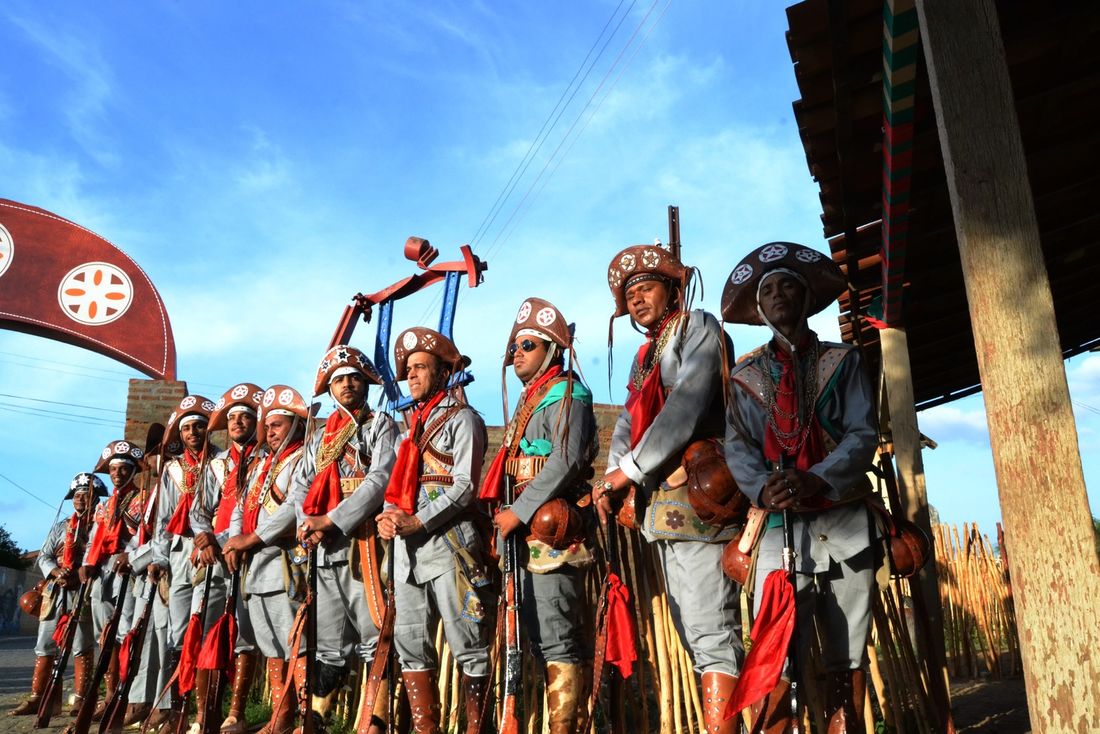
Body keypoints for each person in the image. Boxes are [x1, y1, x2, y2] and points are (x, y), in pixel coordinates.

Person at [722, 242, 878, 732]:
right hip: (776, 532)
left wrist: (818, 476)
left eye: (788, 283)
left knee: (846, 656)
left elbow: (862, 432)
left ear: (807, 297)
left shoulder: (843, 360)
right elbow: (738, 446)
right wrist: (763, 489)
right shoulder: (744, 378)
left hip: (845, 521)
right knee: (775, 654)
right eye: (766, 289)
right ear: (759, 308)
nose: (777, 294)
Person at [591, 243, 744, 734]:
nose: (637, 300)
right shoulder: (644, 355)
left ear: (672, 289)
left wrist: (628, 470)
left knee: (711, 631)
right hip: (661, 508)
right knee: (693, 633)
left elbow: (688, 404)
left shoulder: (697, 326)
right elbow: (628, 421)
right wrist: (615, 474)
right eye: (629, 294)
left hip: (700, 497)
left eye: (647, 288)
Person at [482, 297, 598, 734]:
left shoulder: (567, 393)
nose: (516, 352)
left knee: (558, 638)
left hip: (552, 534)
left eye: (526, 345)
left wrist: (520, 512)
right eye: (514, 346)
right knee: (536, 636)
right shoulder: (529, 401)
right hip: (523, 535)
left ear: (550, 350)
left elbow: (567, 458)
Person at [377, 327, 490, 734]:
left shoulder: (463, 420)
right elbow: (395, 487)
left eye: (421, 368)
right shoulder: (409, 431)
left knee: (469, 644)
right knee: (410, 649)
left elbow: (465, 486)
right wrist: (388, 515)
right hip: (407, 555)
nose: (412, 375)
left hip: (450, 548)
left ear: (443, 373)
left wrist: (420, 519)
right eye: (408, 369)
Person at [281, 346, 398, 734]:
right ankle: (318, 720)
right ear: (330, 388)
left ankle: (376, 722)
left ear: (365, 382)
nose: (347, 384)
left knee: (373, 635)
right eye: (339, 379)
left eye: (354, 377)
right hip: (323, 545)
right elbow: (300, 485)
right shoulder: (320, 435)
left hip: (360, 540)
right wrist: (308, 522)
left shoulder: (380, 424)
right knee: (329, 641)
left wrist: (332, 518)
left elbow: (380, 478)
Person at [221, 385, 312, 734]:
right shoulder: (261, 464)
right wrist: (233, 539)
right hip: (254, 566)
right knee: (271, 643)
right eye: (268, 426)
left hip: (283, 562)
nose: (270, 432)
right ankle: (280, 715)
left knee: (294, 641)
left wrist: (253, 538)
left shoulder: (301, 457)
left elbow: (291, 508)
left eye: (277, 425)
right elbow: (242, 505)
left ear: (292, 426)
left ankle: (301, 719)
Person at [190, 384, 263, 734]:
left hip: (252, 549)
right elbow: (198, 511)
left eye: (245, 417)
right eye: (232, 418)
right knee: (208, 629)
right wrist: (204, 539)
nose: (237, 423)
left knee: (245, 631)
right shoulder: (216, 464)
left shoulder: (267, 458)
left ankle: (237, 713)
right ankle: (206, 712)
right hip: (215, 556)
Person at [147, 395, 219, 733]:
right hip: (178, 553)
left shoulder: (222, 463)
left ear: (209, 430)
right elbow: (162, 520)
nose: (193, 432)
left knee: (204, 627)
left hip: (210, 551)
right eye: (187, 427)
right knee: (177, 631)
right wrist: (159, 558)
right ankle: (177, 710)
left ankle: (205, 711)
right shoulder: (172, 470)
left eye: (199, 426)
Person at [10, 473, 104, 717]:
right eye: (77, 495)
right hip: (55, 592)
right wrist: (55, 570)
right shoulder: (62, 526)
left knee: (81, 646)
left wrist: (80, 573)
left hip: (82, 591)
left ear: (95, 498)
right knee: (45, 644)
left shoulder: (101, 526)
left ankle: (80, 701)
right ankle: (39, 698)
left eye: (86, 494)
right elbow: (44, 556)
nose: (81, 499)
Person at [81, 439, 150, 721]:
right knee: (104, 634)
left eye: (124, 469)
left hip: (127, 569)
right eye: (114, 469)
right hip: (102, 572)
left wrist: (130, 556)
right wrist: (87, 563)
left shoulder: (142, 498)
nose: (118, 474)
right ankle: (108, 690)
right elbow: (93, 540)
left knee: (125, 631)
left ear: (133, 471)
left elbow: (142, 534)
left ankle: (125, 692)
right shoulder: (103, 506)